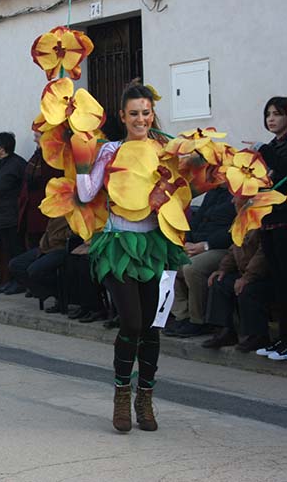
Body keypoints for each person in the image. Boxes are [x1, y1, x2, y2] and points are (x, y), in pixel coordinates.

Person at [76, 82, 189, 432]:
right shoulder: (110, 149)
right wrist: (82, 155)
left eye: (146, 112)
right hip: (117, 244)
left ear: (151, 114)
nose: (141, 118)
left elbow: (182, 193)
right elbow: (86, 192)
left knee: (153, 327)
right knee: (132, 322)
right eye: (134, 113)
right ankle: (122, 395)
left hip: (154, 245)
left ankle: (146, 398)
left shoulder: (165, 149)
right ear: (122, 116)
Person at [164, 184, 236, 337]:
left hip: (221, 248)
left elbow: (235, 230)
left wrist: (205, 245)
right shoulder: (213, 192)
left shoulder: (240, 194)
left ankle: (199, 320)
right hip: (197, 245)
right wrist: (188, 243)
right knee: (169, 263)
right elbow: (195, 222)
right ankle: (182, 315)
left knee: (192, 268)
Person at [254, 96, 287, 361]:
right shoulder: (273, 146)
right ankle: (281, 340)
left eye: (277, 114)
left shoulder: (276, 149)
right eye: (268, 114)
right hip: (269, 222)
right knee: (277, 283)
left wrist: (265, 152)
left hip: (285, 222)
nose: (271, 119)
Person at [202, 228, 271, 352]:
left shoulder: (261, 218)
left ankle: (257, 335)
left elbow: (263, 254)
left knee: (247, 289)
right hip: (245, 271)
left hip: (263, 274)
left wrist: (248, 276)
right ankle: (225, 330)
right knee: (219, 281)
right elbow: (234, 248)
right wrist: (223, 268)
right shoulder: (241, 220)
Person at [0, 132, 27, 294]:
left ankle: (21, 281)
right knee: (6, 249)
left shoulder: (17, 164)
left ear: (2, 148)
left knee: (16, 248)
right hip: (0, 214)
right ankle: (10, 280)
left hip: (13, 213)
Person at [6, 216, 71, 297]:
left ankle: (59, 294)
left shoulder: (76, 211)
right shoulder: (55, 209)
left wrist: (57, 237)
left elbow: (75, 233)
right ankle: (44, 292)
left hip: (62, 247)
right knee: (16, 264)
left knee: (34, 270)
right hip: (46, 246)